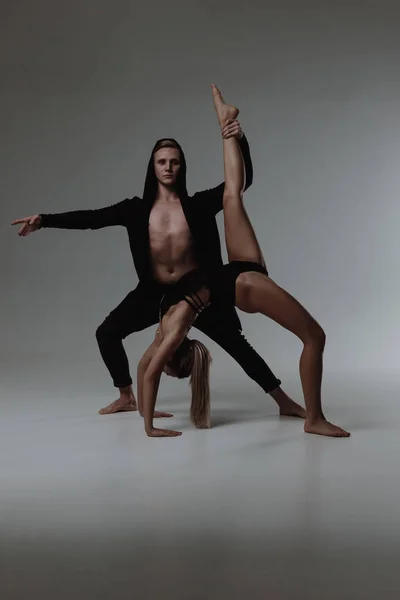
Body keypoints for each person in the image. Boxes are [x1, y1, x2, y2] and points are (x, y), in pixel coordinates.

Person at [11, 113, 306, 420]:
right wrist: (44, 220)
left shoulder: (200, 204)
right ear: (153, 168)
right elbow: (91, 219)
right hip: (154, 292)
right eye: (162, 161)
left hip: (198, 292)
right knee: (107, 333)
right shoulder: (134, 210)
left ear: (182, 167)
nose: (168, 167)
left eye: (174, 162)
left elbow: (242, 182)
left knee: (237, 345)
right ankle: (126, 396)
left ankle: (283, 400)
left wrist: (240, 140)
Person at [139, 85, 350, 439]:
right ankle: (226, 126)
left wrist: (149, 427)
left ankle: (315, 418)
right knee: (232, 193)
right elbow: (146, 368)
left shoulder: (172, 332)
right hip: (236, 269)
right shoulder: (163, 324)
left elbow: (150, 372)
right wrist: (145, 414)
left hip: (243, 284)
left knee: (314, 337)